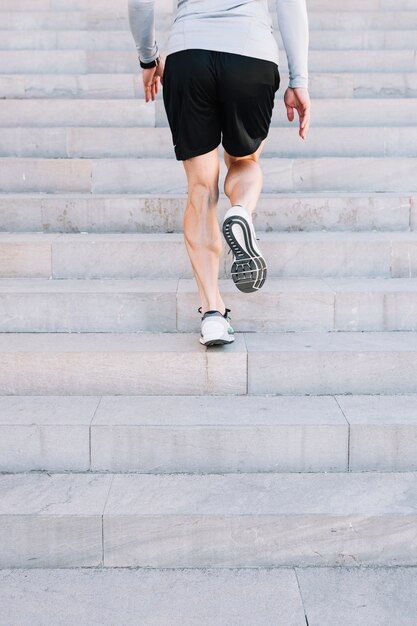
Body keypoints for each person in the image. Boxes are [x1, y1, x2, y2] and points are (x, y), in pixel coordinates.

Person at [128, 0, 310, 346]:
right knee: (244, 162)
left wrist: (148, 58)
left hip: (189, 54)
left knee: (200, 187)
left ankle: (212, 312)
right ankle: (241, 210)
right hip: (251, 55)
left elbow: (139, 3)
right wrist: (299, 79)